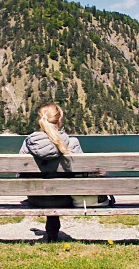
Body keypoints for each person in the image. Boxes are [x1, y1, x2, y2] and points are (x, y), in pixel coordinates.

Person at [18, 103, 82, 242]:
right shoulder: (72, 142)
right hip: (65, 199)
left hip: (36, 198)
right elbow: (83, 174)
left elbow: (19, 174)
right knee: (59, 189)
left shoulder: (29, 143)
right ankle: (53, 233)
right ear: (59, 121)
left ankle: (51, 233)